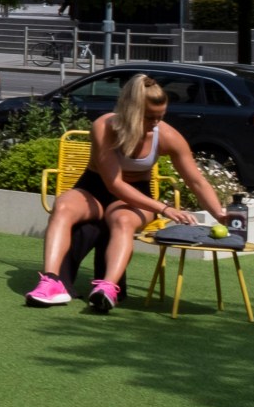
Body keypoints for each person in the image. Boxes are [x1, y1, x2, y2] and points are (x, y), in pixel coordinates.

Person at [27, 74, 230, 313]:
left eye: (161, 116)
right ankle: (52, 281)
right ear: (131, 112)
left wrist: (218, 213)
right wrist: (165, 209)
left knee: (122, 220)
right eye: (149, 117)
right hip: (95, 188)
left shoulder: (167, 136)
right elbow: (114, 185)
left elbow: (196, 181)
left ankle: (108, 288)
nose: (156, 122)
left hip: (137, 194)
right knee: (62, 206)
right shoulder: (104, 126)